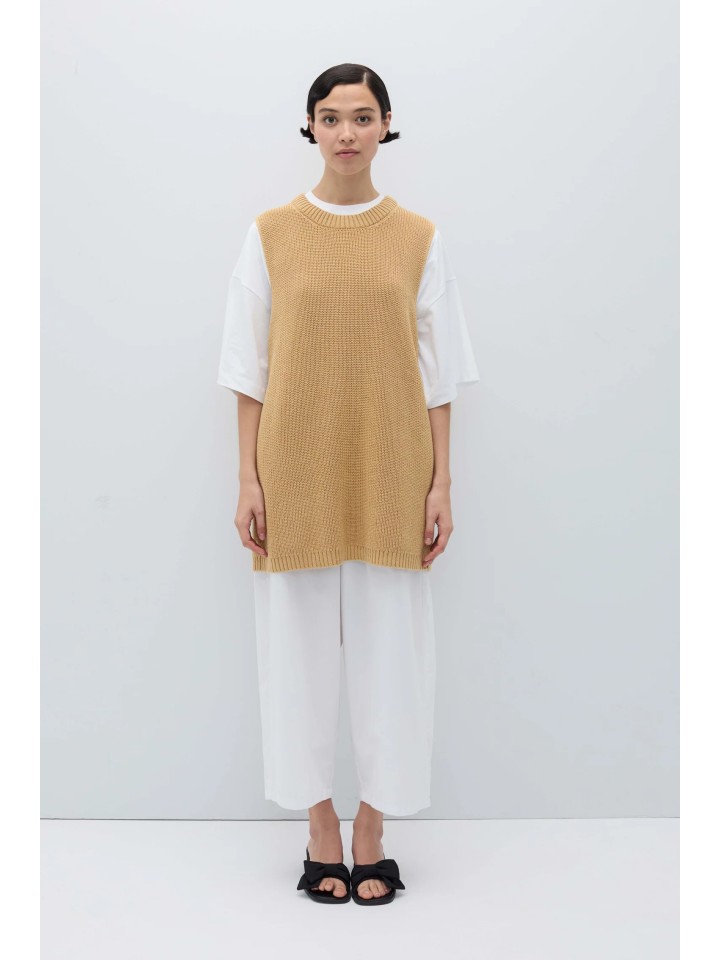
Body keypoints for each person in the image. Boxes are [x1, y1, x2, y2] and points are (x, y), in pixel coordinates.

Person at [217, 63, 479, 905]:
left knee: (391, 654)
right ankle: (318, 826)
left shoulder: (418, 237)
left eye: (363, 117)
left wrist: (441, 483)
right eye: (330, 117)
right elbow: (246, 368)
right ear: (310, 127)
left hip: (393, 463)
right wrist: (248, 478)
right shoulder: (270, 234)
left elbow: (440, 374)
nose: (346, 133)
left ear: (387, 125)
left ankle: (373, 827)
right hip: (291, 467)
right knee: (293, 653)